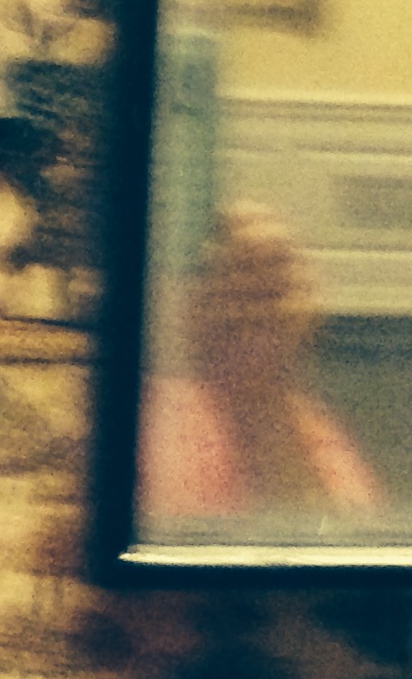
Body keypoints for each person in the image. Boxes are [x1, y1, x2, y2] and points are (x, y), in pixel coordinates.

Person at [140, 204, 379, 522]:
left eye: (273, 291)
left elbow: (352, 536)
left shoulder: (322, 445)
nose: (255, 312)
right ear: (195, 305)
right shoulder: (152, 419)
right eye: (238, 286)